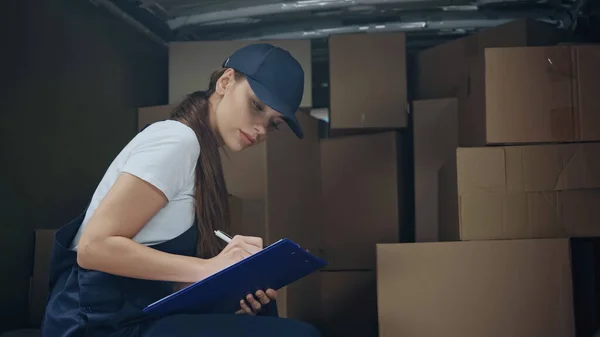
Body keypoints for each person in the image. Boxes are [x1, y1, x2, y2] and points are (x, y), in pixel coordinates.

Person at [41, 43, 320, 337]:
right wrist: (210, 268)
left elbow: (156, 279)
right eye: (256, 105)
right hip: (96, 325)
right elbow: (93, 248)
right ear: (225, 82)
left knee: (265, 313)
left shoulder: (203, 155)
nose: (262, 128)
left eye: (273, 123)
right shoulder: (177, 140)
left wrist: (232, 288)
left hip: (137, 313)